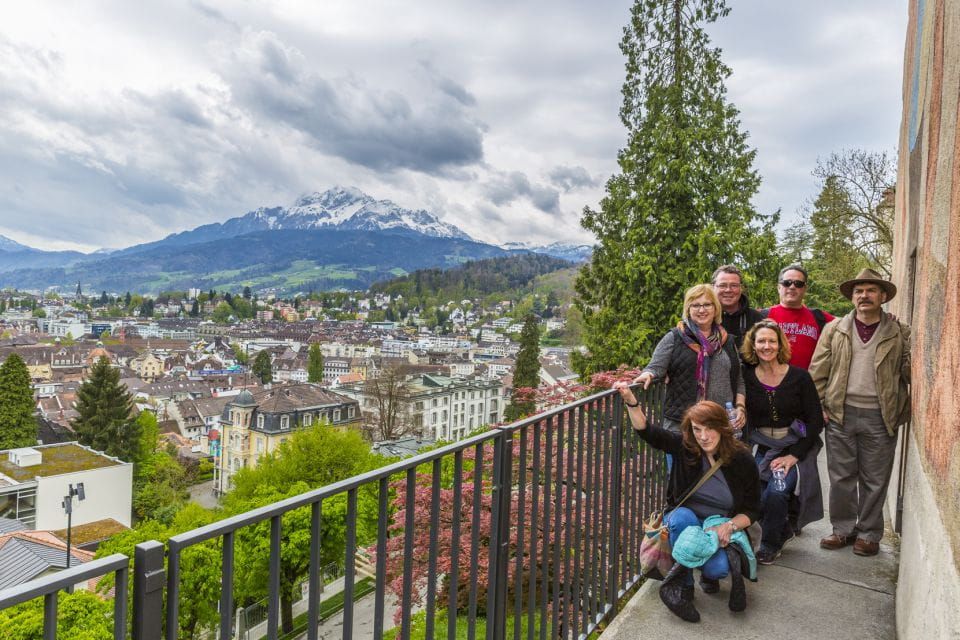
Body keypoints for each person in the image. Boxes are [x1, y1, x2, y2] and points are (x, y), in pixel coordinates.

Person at [613, 392, 760, 622]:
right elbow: (647, 431)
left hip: (716, 527)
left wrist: (730, 526)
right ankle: (684, 584)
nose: (703, 436)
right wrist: (632, 401)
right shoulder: (684, 447)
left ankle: (706, 576)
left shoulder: (742, 459)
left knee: (718, 569)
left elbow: (752, 509)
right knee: (681, 519)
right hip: (685, 521)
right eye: (697, 429)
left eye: (709, 429)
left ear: (723, 428)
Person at [809, 268, 910, 557]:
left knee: (874, 480)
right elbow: (818, 371)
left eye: (871, 290)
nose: (864, 295)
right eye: (859, 291)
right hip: (840, 414)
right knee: (841, 477)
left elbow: (909, 372)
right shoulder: (835, 329)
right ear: (852, 297)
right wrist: (819, 407)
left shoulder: (898, 331)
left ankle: (868, 534)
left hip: (881, 415)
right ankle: (842, 529)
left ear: (882, 296)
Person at [740, 320, 825, 564]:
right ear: (753, 345)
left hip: (793, 447)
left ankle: (770, 544)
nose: (766, 346)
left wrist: (793, 455)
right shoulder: (746, 377)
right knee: (751, 493)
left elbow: (815, 421)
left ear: (780, 345)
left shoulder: (799, 377)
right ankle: (783, 528)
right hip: (761, 447)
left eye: (772, 341)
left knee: (776, 493)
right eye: (761, 341)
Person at [634, 284, 747, 438]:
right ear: (688, 310)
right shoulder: (675, 337)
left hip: (720, 423)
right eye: (695, 305)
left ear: (716, 309)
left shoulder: (727, 341)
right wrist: (648, 374)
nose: (702, 310)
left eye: (707, 304)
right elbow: (655, 367)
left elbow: (738, 380)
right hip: (682, 424)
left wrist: (740, 407)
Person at [762, 264, 835, 370]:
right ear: (779, 287)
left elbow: (850, 324)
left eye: (798, 284)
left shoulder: (819, 317)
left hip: (808, 379)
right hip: (769, 379)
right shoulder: (762, 316)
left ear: (805, 289)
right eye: (787, 283)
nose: (792, 287)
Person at [712, 265, 764, 350]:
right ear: (713, 287)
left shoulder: (756, 319)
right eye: (722, 285)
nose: (728, 290)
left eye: (734, 285)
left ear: (741, 288)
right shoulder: (705, 317)